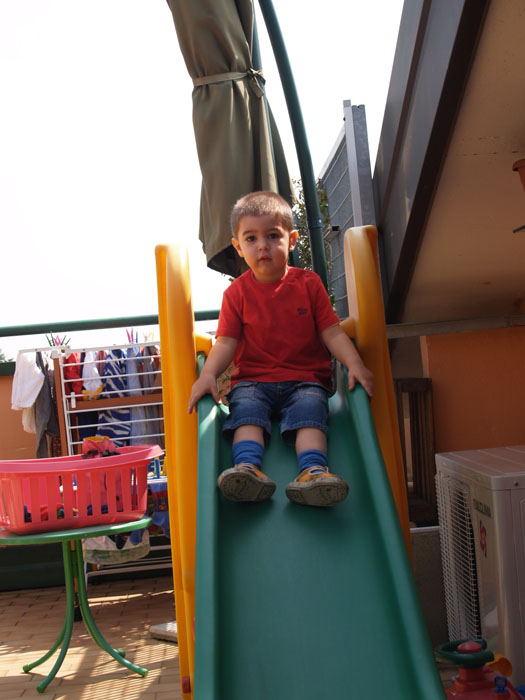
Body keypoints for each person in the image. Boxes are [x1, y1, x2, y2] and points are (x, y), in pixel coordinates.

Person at [187, 191, 374, 507]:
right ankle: (247, 469)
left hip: (304, 382)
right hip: (253, 382)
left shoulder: (309, 284)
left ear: (292, 240)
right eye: (251, 238)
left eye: (273, 236)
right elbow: (226, 342)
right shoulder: (236, 294)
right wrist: (208, 375)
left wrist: (355, 364)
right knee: (246, 412)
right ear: (238, 246)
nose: (262, 245)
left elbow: (332, 332)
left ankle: (312, 472)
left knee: (310, 412)